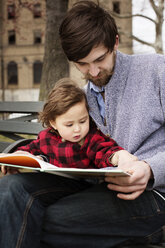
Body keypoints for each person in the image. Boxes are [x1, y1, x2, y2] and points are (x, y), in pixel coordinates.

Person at [0, 1, 165, 248]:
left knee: (40, 219)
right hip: (95, 188)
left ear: (115, 43)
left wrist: (151, 169)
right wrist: (20, 156)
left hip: (153, 194)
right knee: (11, 190)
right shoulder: (82, 97)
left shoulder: (156, 70)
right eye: (82, 64)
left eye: (100, 59)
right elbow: (57, 138)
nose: (94, 71)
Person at [2, 78, 135, 173]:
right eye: (69, 124)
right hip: (54, 183)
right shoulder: (47, 138)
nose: (77, 129)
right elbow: (31, 148)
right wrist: (19, 156)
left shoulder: (90, 138)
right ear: (54, 123)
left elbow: (104, 151)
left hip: (83, 187)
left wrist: (118, 156)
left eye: (83, 121)